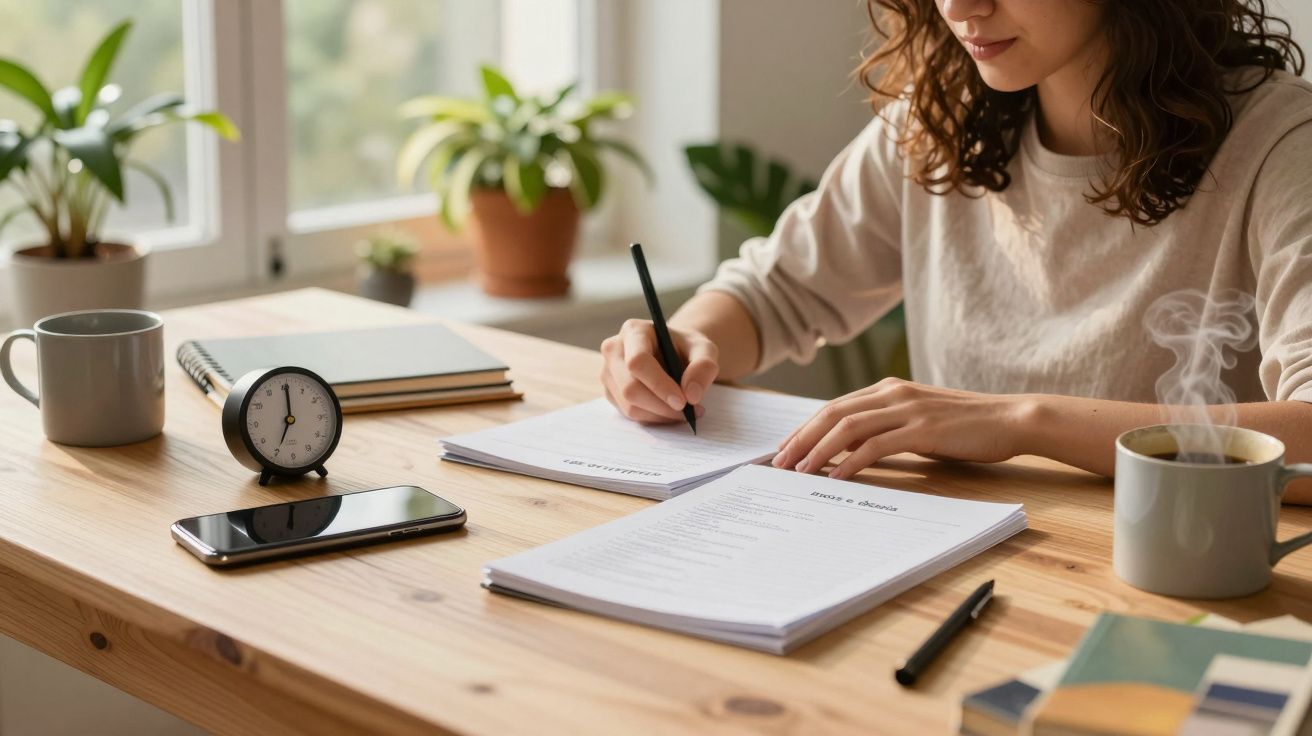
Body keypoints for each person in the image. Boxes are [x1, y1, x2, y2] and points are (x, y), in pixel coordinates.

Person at [599, 0, 1312, 500]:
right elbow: (774, 293)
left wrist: (1020, 421)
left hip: (1179, 587)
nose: (960, 7)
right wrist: (686, 343)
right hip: (963, 565)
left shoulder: (1282, 146)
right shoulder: (938, 123)